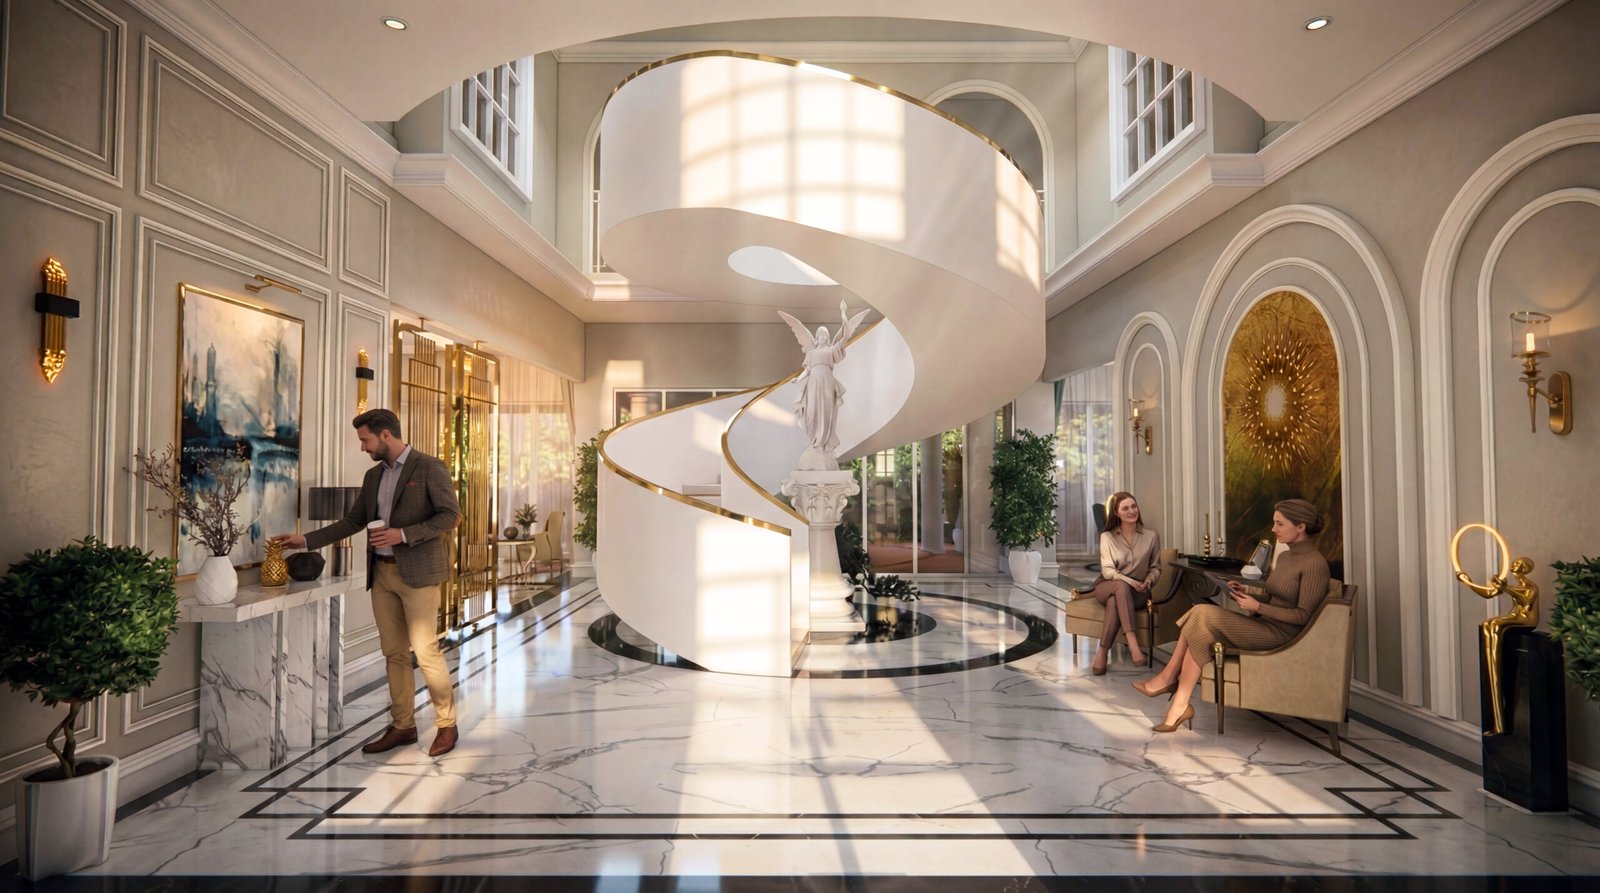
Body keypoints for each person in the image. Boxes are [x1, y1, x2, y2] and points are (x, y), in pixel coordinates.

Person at [272, 409, 463, 757]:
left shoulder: (429, 467)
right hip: (382, 573)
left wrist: (402, 534)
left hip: (419, 574)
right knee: (393, 653)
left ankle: (446, 725)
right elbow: (353, 520)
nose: (362, 447)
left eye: (365, 440)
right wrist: (305, 541)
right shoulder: (373, 476)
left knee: (425, 651)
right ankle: (403, 726)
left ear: (386, 435)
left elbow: (450, 515)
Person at [1131, 498, 1330, 732]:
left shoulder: (1315, 564)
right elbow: (1278, 596)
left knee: (1201, 613)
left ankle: (1167, 680)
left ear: (1301, 527)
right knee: (1200, 623)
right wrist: (1249, 592)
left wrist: (1258, 607)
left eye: (1280, 524)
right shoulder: (1285, 556)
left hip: (1283, 636)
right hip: (1265, 624)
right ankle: (1178, 705)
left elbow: (1303, 616)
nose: (1274, 529)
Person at [778, 300, 869, 470]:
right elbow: (807, 370)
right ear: (817, 336)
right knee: (811, 413)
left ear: (827, 337)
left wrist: (843, 314)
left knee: (826, 414)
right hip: (813, 384)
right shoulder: (811, 353)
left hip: (827, 383)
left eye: (824, 335)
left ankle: (823, 444)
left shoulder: (832, 350)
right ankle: (814, 443)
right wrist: (798, 379)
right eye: (819, 335)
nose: (822, 337)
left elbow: (846, 335)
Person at [1079, 491, 1160, 674]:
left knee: (1116, 600)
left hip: (1139, 591)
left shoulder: (1151, 536)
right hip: (1107, 586)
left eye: (1133, 506)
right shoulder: (1107, 537)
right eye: (1125, 508)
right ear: (1116, 513)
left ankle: (1102, 651)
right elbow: (1107, 571)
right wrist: (1130, 581)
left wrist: (1148, 581)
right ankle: (1133, 643)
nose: (1132, 511)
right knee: (1120, 587)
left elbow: (1155, 568)